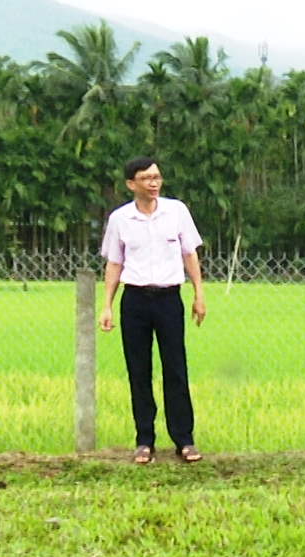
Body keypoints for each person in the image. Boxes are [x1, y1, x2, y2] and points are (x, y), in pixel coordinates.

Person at [98, 156, 207, 465]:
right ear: (131, 184)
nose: (153, 183)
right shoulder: (120, 219)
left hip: (169, 299)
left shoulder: (177, 212)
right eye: (145, 178)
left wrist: (198, 294)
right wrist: (106, 305)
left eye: (157, 177)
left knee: (175, 369)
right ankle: (144, 440)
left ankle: (184, 440)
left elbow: (189, 254)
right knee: (139, 371)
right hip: (134, 302)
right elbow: (114, 263)